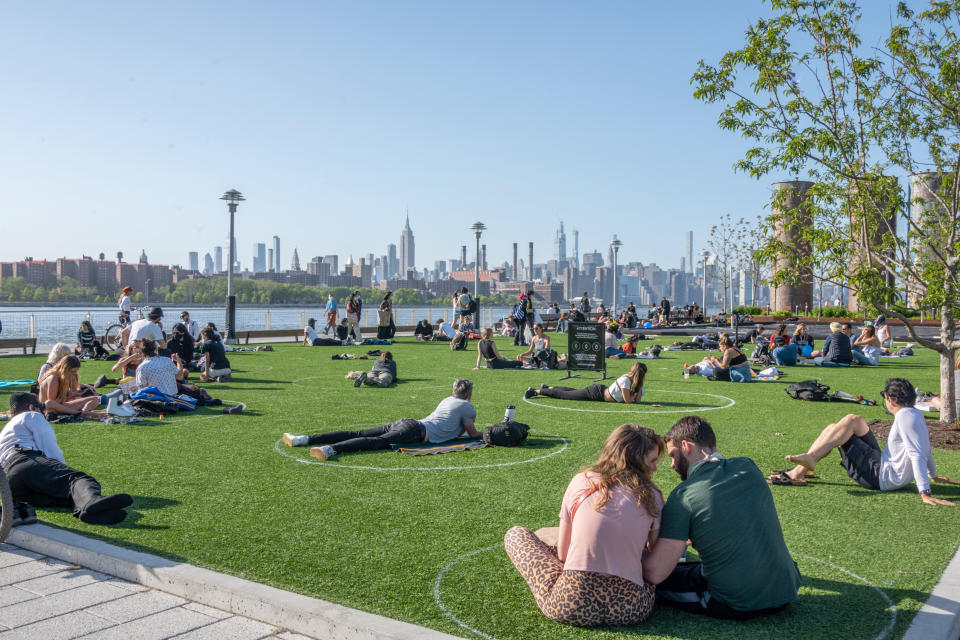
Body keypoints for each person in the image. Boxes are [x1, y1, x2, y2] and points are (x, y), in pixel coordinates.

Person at [504, 424, 663, 627]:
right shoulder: (653, 496)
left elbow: (563, 554)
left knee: (516, 534)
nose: (655, 468)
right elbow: (654, 561)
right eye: (652, 461)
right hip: (632, 608)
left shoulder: (582, 481)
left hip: (571, 603)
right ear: (636, 461)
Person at [642, 416, 801, 619]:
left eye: (673, 455)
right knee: (693, 568)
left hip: (736, 600)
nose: (672, 465)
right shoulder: (748, 467)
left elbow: (655, 572)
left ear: (686, 446)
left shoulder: (684, 495)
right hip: (786, 590)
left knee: (653, 581)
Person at [776, 378, 959, 504]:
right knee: (848, 422)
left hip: (879, 477)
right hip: (883, 465)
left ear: (890, 399)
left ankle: (808, 462)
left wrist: (924, 492)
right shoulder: (915, 414)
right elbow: (924, 447)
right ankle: (803, 467)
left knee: (843, 425)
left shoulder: (905, 417)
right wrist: (933, 475)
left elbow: (917, 453)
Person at [1, 392, 133, 525]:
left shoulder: (5, 431)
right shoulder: (31, 415)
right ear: (31, 407)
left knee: (67, 496)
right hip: (25, 461)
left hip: (10, 483)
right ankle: (91, 502)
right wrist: (63, 470)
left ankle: (90, 513)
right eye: (40, 405)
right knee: (77, 480)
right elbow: (49, 448)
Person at [283, 379, 480, 460]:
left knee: (358, 433)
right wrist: (485, 433)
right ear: (469, 395)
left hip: (408, 422)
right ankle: (331, 449)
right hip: (416, 432)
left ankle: (303, 439)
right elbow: (471, 433)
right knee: (375, 443)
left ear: (453, 392)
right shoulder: (467, 407)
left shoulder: (447, 399)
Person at [527, 362, 646, 404]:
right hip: (596, 393)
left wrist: (639, 387)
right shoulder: (626, 380)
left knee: (571, 391)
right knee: (567, 395)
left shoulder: (634, 383)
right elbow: (628, 401)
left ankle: (549, 387)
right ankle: (537, 391)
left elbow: (638, 400)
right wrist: (637, 391)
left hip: (600, 392)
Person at [39, 355, 113, 416]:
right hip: (50, 409)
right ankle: (79, 413)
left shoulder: (68, 376)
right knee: (49, 403)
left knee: (95, 399)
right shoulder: (53, 378)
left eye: (76, 371)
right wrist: (71, 395)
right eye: (73, 371)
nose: (74, 373)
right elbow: (53, 403)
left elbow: (72, 393)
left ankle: (84, 411)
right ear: (65, 369)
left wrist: (77, 393)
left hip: (63, 406)